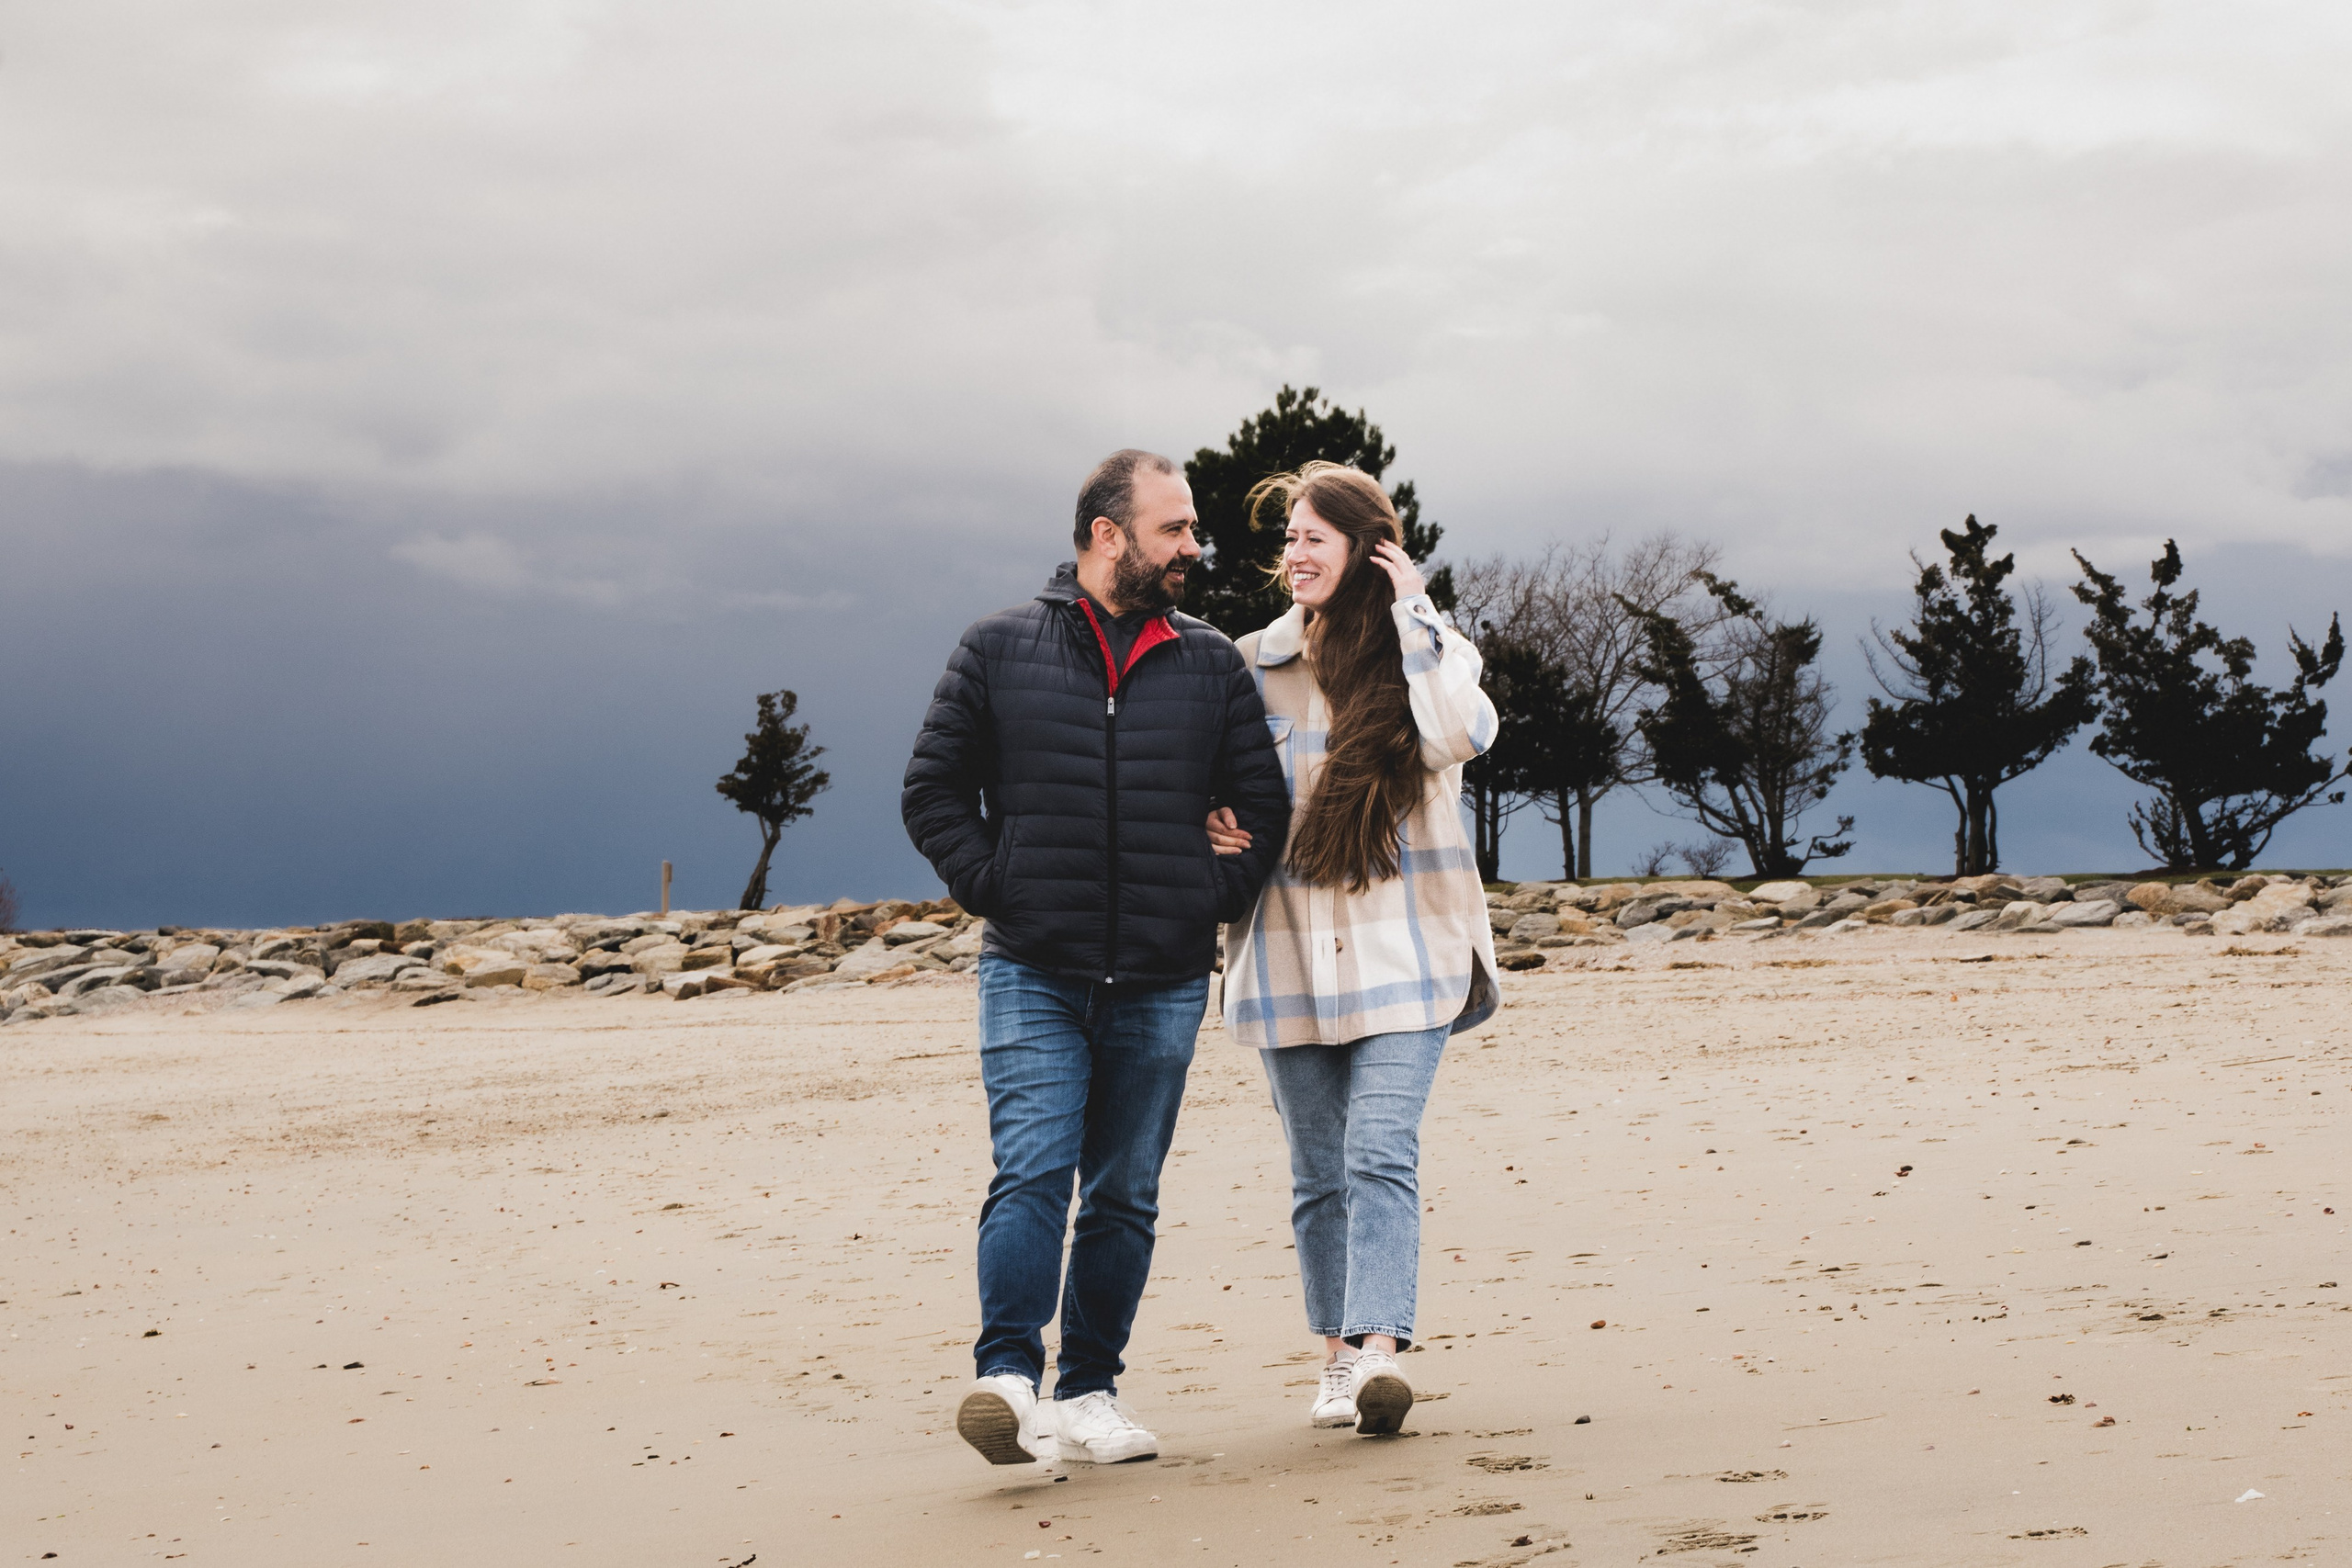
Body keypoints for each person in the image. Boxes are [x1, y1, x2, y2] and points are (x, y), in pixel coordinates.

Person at [902, 448, 1293, 1467]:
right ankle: (1007, 1381)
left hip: (1161, 979)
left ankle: (1088, 1392)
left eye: (1192, 528)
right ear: (1105, 536)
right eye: (1173, 529)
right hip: (1031, 964)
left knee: (1124, 1191)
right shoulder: (996, 648)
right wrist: (1003, 884)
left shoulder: (1210, 661)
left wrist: (1196, 899)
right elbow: (933, 794)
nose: (1192, 547)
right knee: (1033, 1168)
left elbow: (1261, 812)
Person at [1204, 460, 1500, 1437]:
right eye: (1287, 536)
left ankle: (1380, 1350)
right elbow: (1217, 791)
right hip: (1286, 948)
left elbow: (1463, 733)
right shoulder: (1250, 665)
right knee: (1317, 1172)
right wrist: (1209, 826)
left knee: (1379, 1147)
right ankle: (1334, 1354)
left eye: (1314, 537)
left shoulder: (1430, 660)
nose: (1294, 552)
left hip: (1405, 952)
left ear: (1367, 550)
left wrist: (1418, 614)